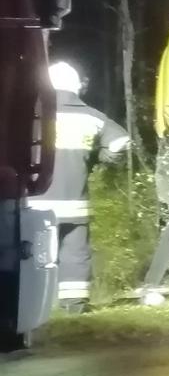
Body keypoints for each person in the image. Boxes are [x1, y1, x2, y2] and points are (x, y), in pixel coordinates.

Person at [29, 61, 130, 308]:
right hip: (75, 204)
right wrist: (99, 157)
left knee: (33, 254)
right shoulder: (92, 117)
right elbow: (121, 142)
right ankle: (73, 305)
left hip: (36, 205)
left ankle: (36, 304)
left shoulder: (31, 115)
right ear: (77, 87)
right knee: (75, 253)